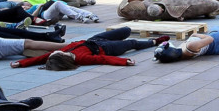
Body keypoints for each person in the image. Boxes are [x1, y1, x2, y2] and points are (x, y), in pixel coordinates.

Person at [14, 27, 162, 69]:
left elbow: (40, 59)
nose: (56, 51)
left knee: (126, 30)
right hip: (106, 48)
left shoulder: (59, 53)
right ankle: (154, 42)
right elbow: (103, 59)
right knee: (132, 43)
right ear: (63, 57)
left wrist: (20, 63)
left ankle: (127, 36)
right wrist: (124, 62)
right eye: (57, 52)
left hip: (94, 40)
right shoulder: (81, 59)